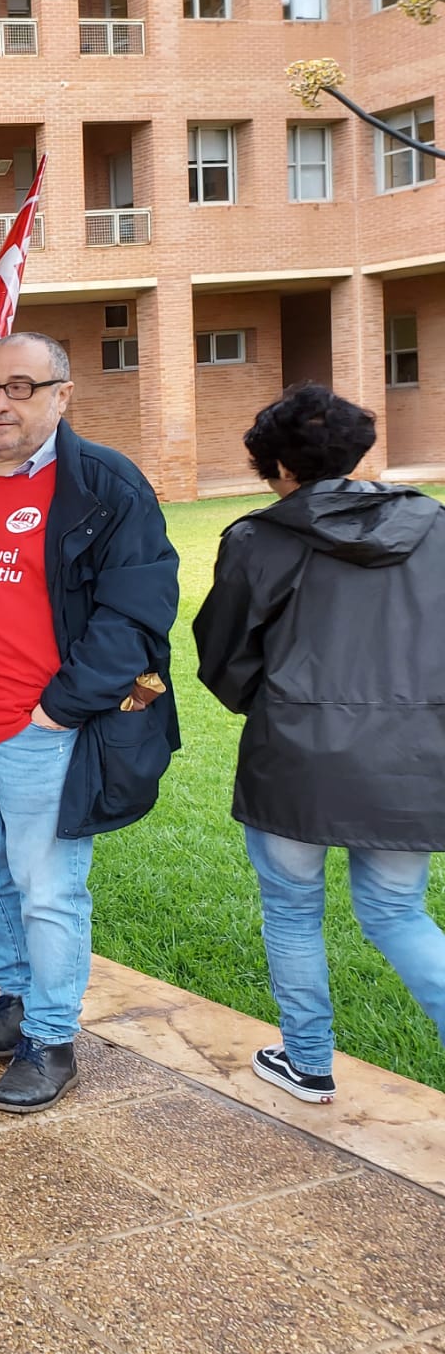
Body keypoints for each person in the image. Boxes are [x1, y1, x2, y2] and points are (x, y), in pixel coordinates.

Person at [0, 332, 180, 1114]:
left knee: (48, 890)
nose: (2, 403)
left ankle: (51, 1039)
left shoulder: (104, 484)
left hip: (40, 733)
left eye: (22, 387)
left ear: (63, 394)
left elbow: (138, 612)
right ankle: (15, 998)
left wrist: (61, 708)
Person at [193, 384, 445, 1104]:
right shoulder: (434, 527)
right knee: (398, 913)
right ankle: (304, 1059)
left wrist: (268, 703)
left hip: (296, 754)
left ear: (277, 466)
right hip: (414, 756)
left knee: (293, 909)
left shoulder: (258, 537)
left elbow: (223, 653)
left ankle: (309, 1061)